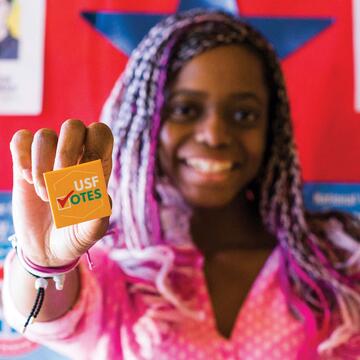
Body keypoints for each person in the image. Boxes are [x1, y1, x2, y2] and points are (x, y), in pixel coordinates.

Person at [3, 9, 360, 360]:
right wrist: (42, 263)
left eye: (243, 115)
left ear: (273, 129)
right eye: (185, 110)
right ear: (144, 123)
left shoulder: (332, 267)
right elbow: (48, 316)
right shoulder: (122, 265)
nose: (215, 135)